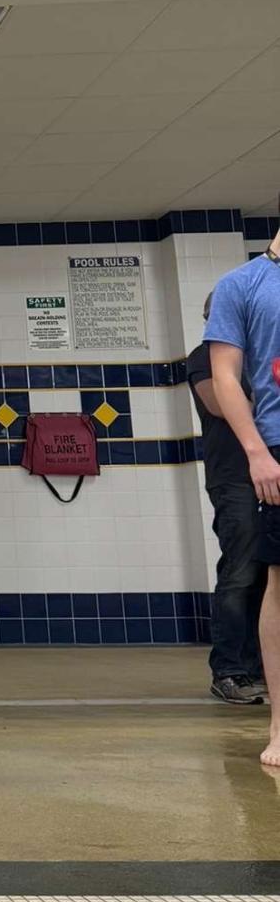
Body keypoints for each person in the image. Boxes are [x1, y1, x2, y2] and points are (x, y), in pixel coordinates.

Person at [204, 220, 280, 769]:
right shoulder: (243, 287)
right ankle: (264, 706)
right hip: (263, 457)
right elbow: (220, 386)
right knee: (259, 577)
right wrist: (257, 450)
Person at [187, 293, 267, 704]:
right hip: (234, 478)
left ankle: (261, 667)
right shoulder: (205, 357)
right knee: (240, 573)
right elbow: (223, 404)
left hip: (269, 474)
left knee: (268, 576)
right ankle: (231, 670)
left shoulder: (263, 354)